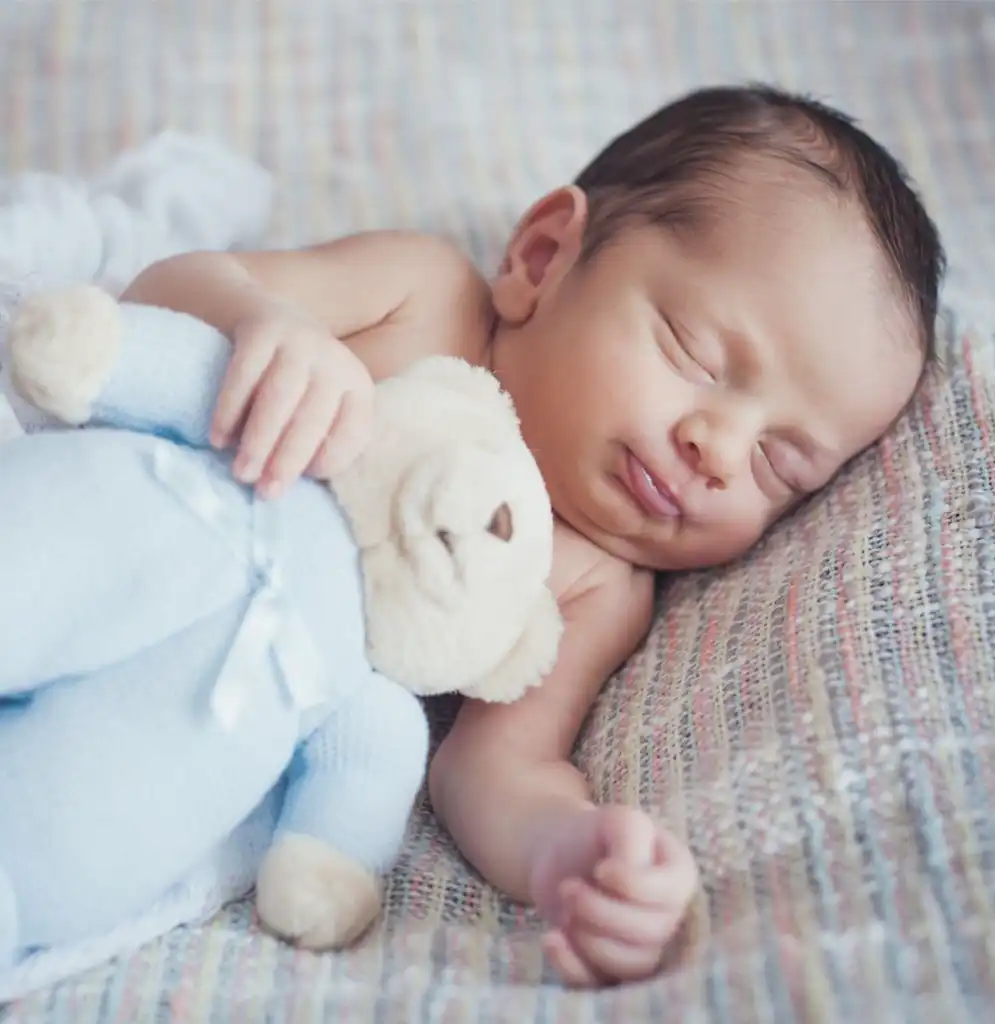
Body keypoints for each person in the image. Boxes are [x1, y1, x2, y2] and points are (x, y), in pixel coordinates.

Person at [122, 84, 945, 987]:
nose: (720, 451)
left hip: (176, 705)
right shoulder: (420, 298)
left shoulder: (598, 585)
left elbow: (494, 768)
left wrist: (570, 851)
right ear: (545, 255)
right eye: (697, 356)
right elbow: (158, 296)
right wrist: (261, 324)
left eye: (780, 466)